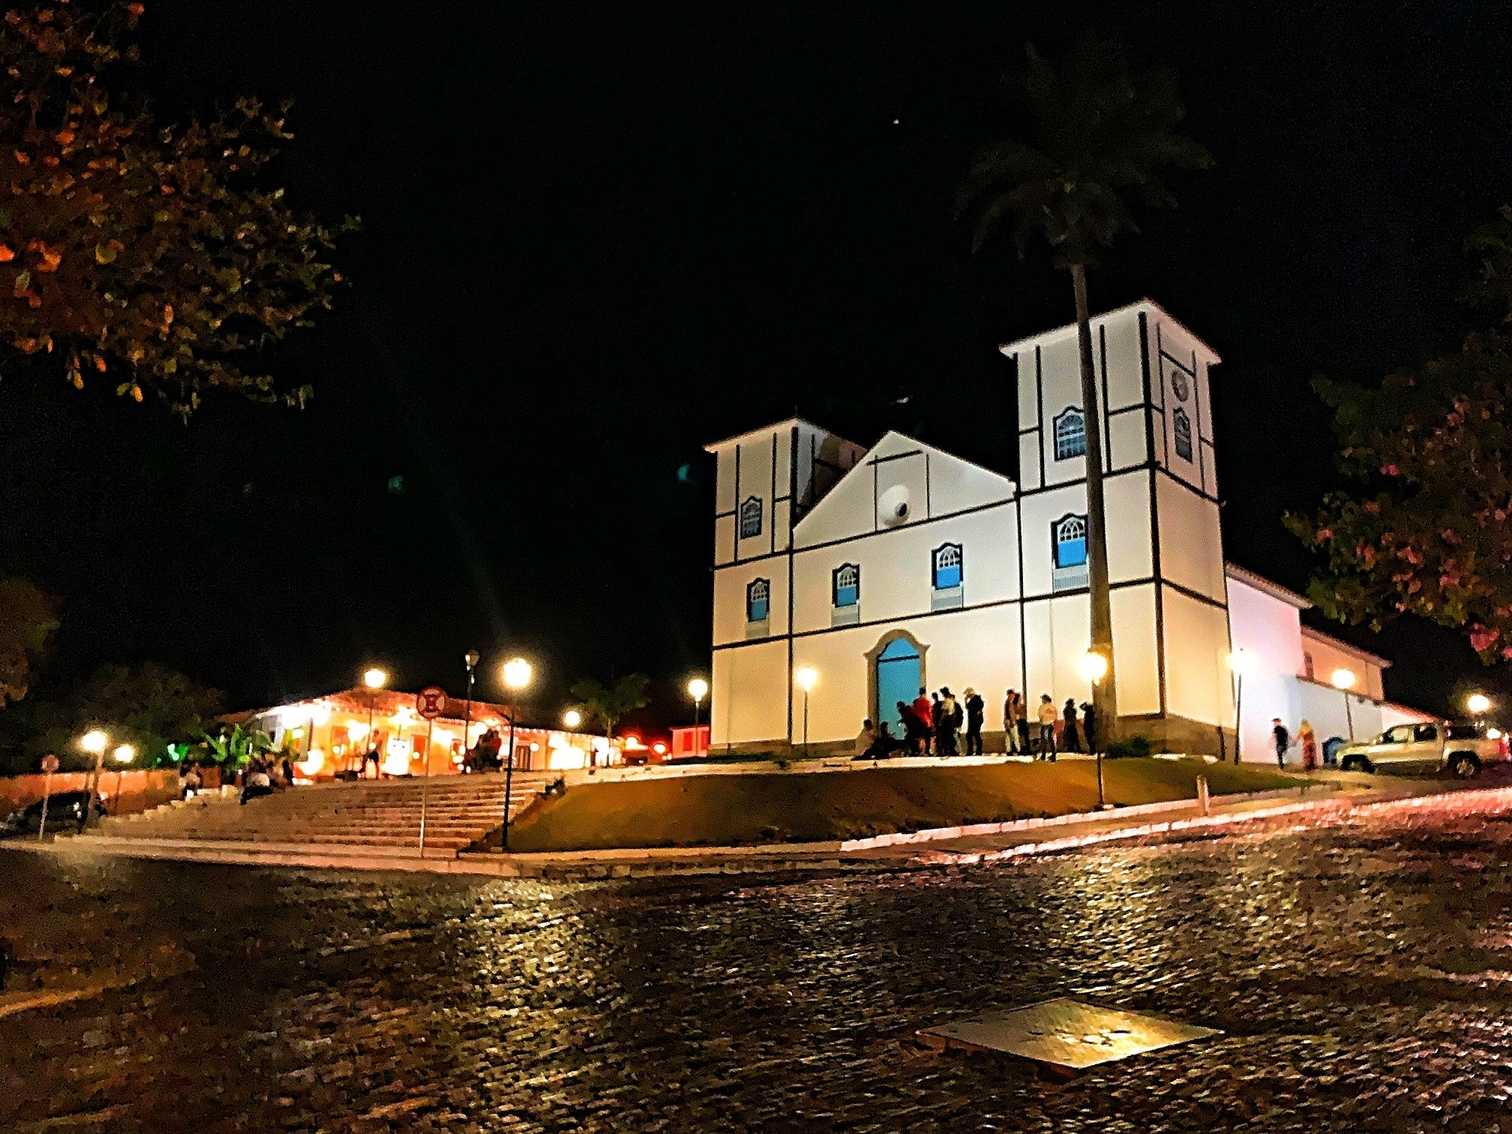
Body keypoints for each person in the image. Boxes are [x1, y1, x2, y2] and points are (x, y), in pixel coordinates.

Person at [938, 688, 960, 757]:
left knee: (945, 736)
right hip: (951, 720)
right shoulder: (951, 701)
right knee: (950, 736)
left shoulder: (946, 701)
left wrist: (940, 721)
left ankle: (948, 751)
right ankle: (951, 750)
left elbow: (945, 712)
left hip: (947, 721)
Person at [963, 688, 985, 755]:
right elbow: (967, 707)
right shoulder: (973, 700)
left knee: (974, 735)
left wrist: (978, 712)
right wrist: (965, 701)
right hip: (972, 720)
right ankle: (973, 751)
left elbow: (980, 707)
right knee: (971, 735)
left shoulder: (977, 699)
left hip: (975, 721)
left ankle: (976, 751)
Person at [912, 688, 934, 755]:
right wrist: (932, 722)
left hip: (918, 721)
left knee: (920, 737)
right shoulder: (927, 702)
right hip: (927, 722)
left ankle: (920, 750)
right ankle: (927, 750)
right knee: (927, 738)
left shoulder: (916, 702)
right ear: (925, 693)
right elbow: (929, 712)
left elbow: (913, 711)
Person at [1037, 694, 1058, 760]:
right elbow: (1055, 716)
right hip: (1051, 724)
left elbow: (1040, 716)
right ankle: (1053, 755)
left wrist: (1042, 721)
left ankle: (1043, 756)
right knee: (1051, 739)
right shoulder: (1053, 707)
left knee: (1044, 740)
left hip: (1045, 724)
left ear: (1045, 699)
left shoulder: (1042, 707)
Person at [1003, 690, 1024, 754]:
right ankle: (1018, 750)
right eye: (1013, 694)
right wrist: (1012, 721)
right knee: (1015, 736)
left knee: (1008, 736)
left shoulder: (1007, 702)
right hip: (1010, 721)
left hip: (1007, 721)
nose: (1014, 696)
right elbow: (1010, 713)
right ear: (1010, 694)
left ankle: (1009, 750)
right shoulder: (1009, 702)